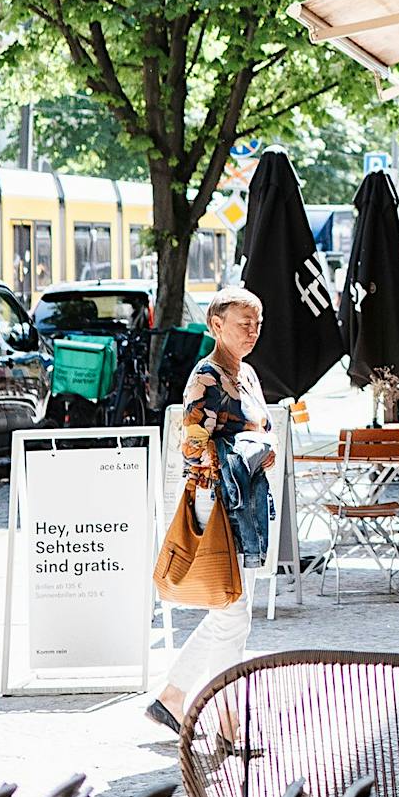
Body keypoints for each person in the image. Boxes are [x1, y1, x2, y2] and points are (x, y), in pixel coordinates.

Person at [147, 287, 275, 740]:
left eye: (257, 322)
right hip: (219, 500)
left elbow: (257, 428)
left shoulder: (249, 375)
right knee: (232, 612)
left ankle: (175, 698)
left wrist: (260, 451)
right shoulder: (207, 376)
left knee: (230, 612)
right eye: (244, 323)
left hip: (248, 499)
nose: (253, 331)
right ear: (216, 325)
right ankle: (227, 722)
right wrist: (246, 453)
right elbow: (192, 445)